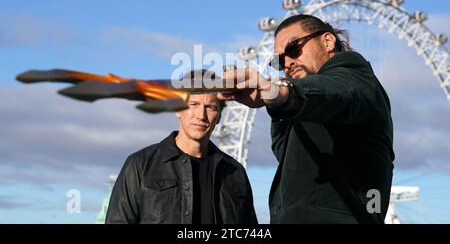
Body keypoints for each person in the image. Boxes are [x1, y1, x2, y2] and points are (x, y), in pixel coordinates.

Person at [218, 14, 395, 224]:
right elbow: (287, 155)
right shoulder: (307, 102)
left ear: (328, 41)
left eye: (293, 48)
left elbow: (333, 92)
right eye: (279, 60)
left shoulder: (356, 79)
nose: (288, 63)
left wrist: (281, 92)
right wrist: (276, 105)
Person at [106, 70, 258, 224]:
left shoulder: (235, 173)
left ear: (218, 116)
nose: (201, 115)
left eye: (210, 107)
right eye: (193, 104)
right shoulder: (140, 165)